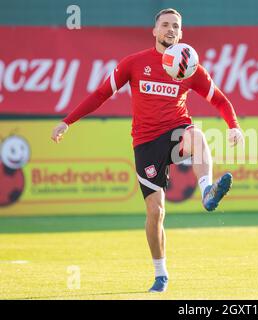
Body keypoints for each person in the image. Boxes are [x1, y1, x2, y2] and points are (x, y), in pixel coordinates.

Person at [51, 8, 243, 293]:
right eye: (164, 25)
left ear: (181, 33)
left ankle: (207, 192)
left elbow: (221, 100)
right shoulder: (135, 63)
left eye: (175, 26)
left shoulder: (189, 66)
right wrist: (68, 121)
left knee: (196, 135)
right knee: (156, 212)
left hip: (177, 130)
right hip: (145, 142)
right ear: (154, 31)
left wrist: (234, 126)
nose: (170, 30)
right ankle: (160, 272)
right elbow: (101, 94)